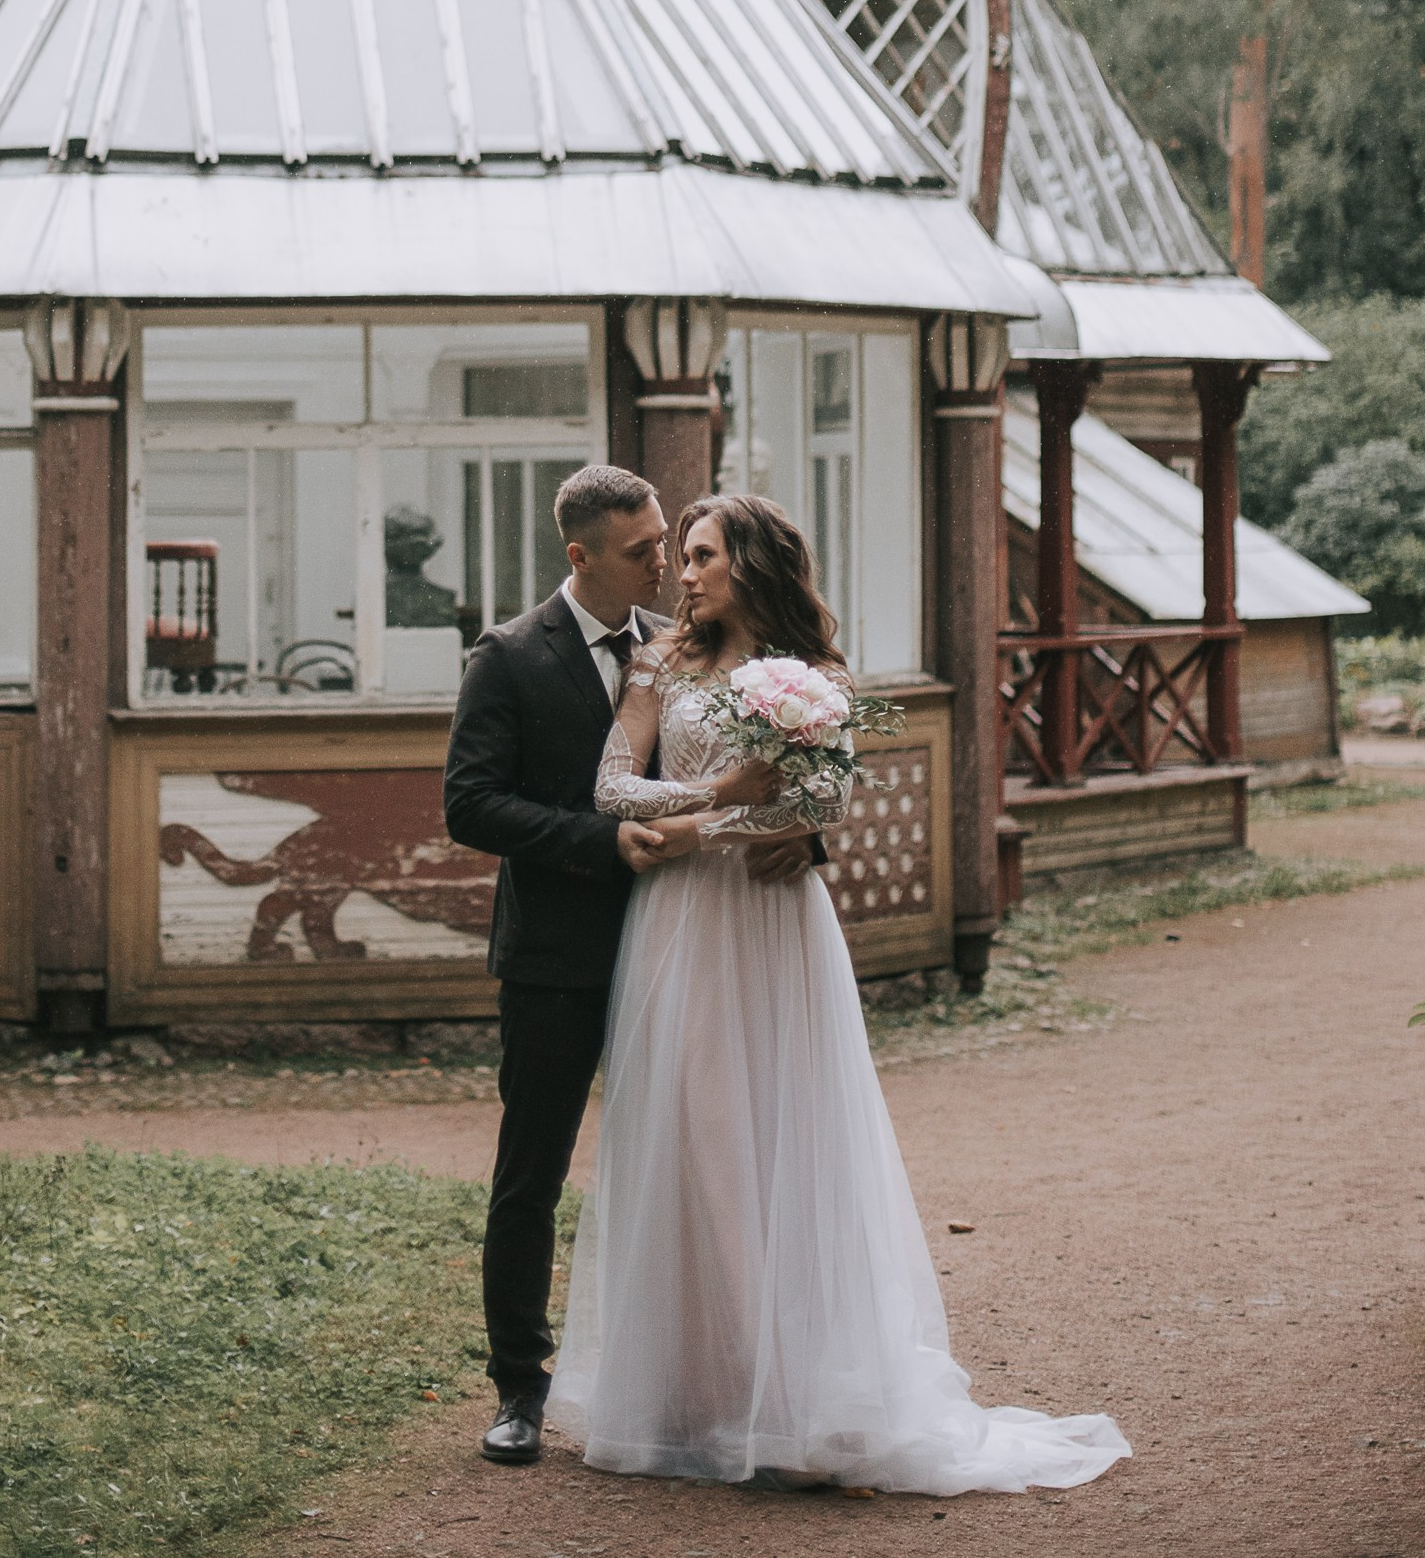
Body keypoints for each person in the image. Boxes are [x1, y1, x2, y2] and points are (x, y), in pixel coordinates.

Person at [545, 490, 1130, 1497]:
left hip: (774, 930)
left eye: (700, 557)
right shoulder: (660, 662)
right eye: (677, 558)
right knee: (692, 1140)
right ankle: (702, 1393)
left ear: (755, 563)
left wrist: (713, 829)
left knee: (784, 1139)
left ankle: (795, 1395)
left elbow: (824, 802)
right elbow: (608, 788)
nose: (681, 577)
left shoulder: (814, 678)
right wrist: (716, 804)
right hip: (679, 930)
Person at [442, 463, 819, 1467]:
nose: (663, 560)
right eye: (643, 548)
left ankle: (710, 1382)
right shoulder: (511, 656)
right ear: (582, 557)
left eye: (670, 542)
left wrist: (807, 836)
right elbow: (468, 806)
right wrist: (595, 842)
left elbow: (766, 776)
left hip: (690, 938)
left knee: (699, 1159)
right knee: (533, 1171)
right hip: (561, 951)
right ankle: (521, 1387)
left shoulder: (683, 647)